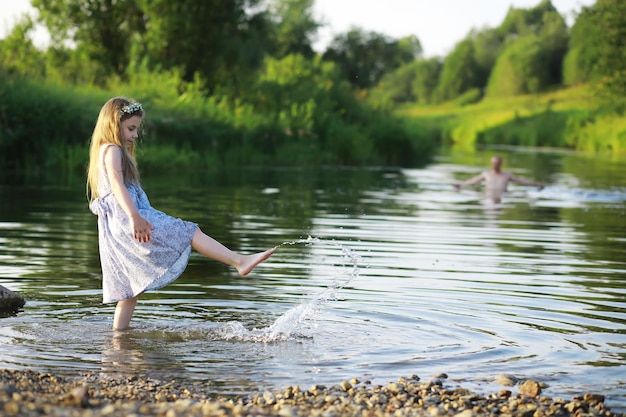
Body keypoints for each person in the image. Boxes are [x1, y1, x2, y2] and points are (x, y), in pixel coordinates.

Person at [87, 97, 275, 330]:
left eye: (136, 129)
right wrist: (136, 218)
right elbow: (116, 185)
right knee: (189, 230)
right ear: (113, 125)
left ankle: (118, 340)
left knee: (130, 290)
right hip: (130, 218)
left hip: (120, 222)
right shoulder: (113, 149)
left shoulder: (106, 150)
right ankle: (238, 261)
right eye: (131, 129)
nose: (135, 135)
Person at [453, 155, 544, 202]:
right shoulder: (486, 174)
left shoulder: (507, 175)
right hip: (488, 194)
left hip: (503, 195)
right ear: (491, 164)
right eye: (493, 163)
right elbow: (473, 181)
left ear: (500, 164)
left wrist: (536, 184)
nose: (495, 165)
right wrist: (461, 184)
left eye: (497, 163)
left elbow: (521, 180)